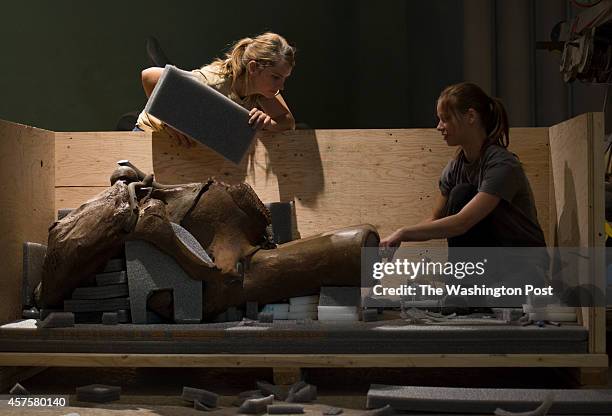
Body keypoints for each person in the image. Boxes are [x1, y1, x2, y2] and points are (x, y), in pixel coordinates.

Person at [380, 82, 546, 252]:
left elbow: (462, 222)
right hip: (491, 261)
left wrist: (402, 233)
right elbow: (436, 219)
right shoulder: (454, 169)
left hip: (523, 262)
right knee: (460, 193)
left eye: (446, 119)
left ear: (471, 117)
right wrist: (395, 238)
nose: (439, 127)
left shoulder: (502, 164)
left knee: (462, 193)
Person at [134, 32, 296, 146]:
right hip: (148, 134)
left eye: (284, 78)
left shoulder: (261, 90)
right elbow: (149, 76)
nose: (281, 86)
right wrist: (168, 121)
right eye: (276, 77)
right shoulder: (212, 82)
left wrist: (268, 124)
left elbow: (287, 121)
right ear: (253, 68)